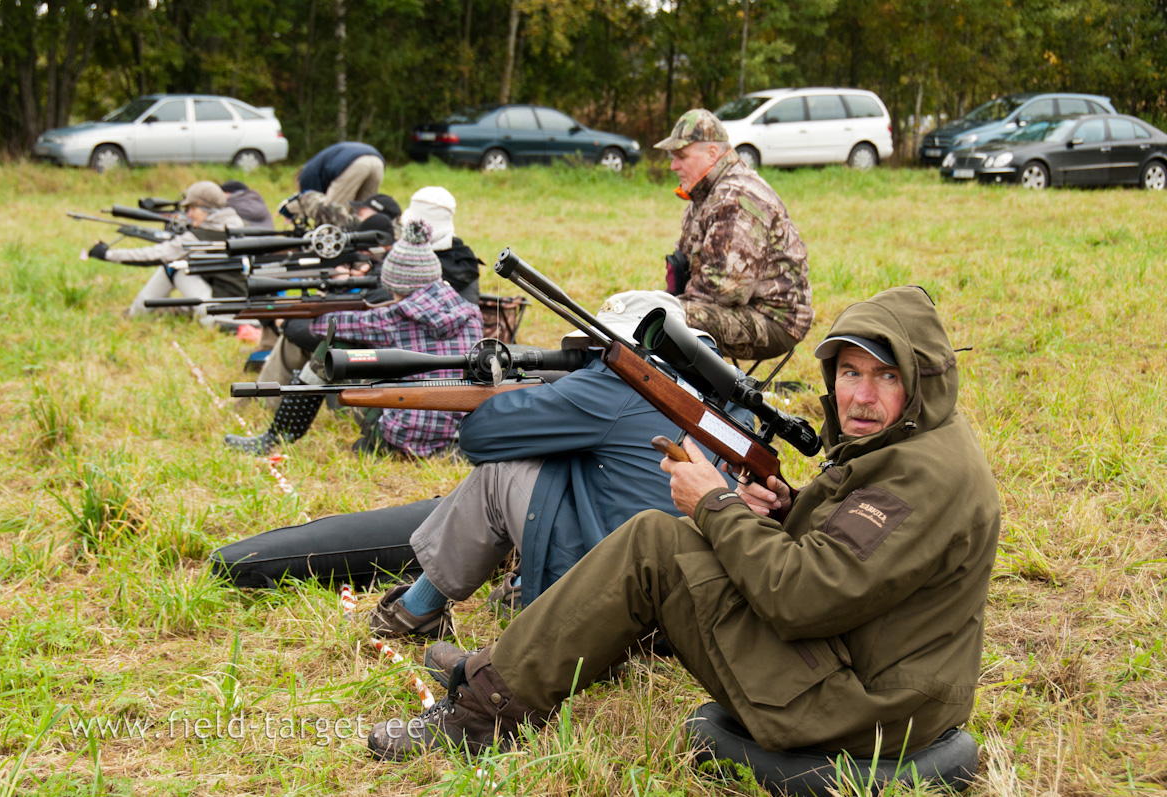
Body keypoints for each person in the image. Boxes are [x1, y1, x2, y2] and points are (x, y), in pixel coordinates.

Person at [364, 285, 1001, 765]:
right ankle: (504, 672)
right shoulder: (915, 446)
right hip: (867, 676)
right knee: (670, 538)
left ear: (920, 380)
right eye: (850, 373)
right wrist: (786, 510)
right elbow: (858, 559)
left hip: (863, 711)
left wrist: (714, 504)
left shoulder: (923, 476)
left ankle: (484, 714)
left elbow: (805, 597)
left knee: (656, 542)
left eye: (886, 376)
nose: (860, 396)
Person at [210, 291, 747, 635]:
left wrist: (501, 394)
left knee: (500, 478)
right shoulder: (722, 398)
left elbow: (481, 438)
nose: (591, 363)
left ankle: (417, 610)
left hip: (605, 606)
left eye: (596, 353)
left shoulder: (615, 386)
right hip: (689, 611)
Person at [224, 218, 482, 457]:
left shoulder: (392, 317)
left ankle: (276, 437)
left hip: (401, 437)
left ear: (396, 284)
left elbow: (325, 327)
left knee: (332, 347)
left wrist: (321, 305)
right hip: (455, 435)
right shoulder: (470, 312)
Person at [254, 187, 481, 409]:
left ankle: (272, 411)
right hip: (450, 395)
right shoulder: (461, 265)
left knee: (327, 344)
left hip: (401, 388)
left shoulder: (401, 299)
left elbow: (360, 320)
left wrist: (290, 322)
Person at [656, 109, 813, 362]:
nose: (674, 165)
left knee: (662, 321)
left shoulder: (737, 198)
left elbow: (727, 290)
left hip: (774, 319)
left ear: (712, 154)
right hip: (736, 308)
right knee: (644, 311)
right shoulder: (706, 194)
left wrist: (666, 307)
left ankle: (683, 396)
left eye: (681, 156)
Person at [86, 180, 245, 327]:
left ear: (205, 208)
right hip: (242, 306)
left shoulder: (199, 237)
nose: (188, 215)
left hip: (220, 313)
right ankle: (177, 311)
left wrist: (108, 254)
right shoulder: (238, 226)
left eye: (193, 209)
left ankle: (135, 314)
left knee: (173, 266)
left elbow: (155, 255)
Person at [297, 141, 386, 206]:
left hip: (354, 164)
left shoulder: (305, 175)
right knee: (365, 210)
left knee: (334, 212)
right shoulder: (316, 165)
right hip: (377, 162)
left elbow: (315, 200)